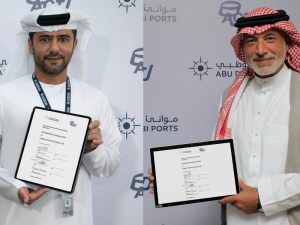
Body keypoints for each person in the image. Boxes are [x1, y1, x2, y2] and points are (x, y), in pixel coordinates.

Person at [149, 7, 300, 225]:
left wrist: (262, 198)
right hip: (235, 219)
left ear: (287, 44)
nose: (260, 49)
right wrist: (171, 178)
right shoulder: (231, 95)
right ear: (242, 49)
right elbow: (215, 164)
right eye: (250, 41)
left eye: (270, 39)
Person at [0, 5, 121, 225]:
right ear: (30, 45)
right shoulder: (4, 96)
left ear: (75, 44)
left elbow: (109, 167)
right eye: (44, 39)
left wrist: (92, 150)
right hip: (18, 218)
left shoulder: (95, 99)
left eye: (63, 39)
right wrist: (15, 187)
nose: (54, 48)